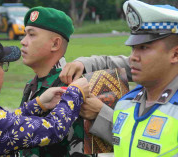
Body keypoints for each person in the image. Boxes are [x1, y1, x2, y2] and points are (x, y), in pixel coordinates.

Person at [0, 32, 89, 156]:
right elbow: (53, 129)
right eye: (2, 65)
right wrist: (75, 92)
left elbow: (4, 124)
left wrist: (38, 105)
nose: (4, 71)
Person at [64, 0, 178, 156]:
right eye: (133, 48)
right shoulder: (126, 104)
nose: (133, 58)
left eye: (144, 47)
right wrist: (84, 63)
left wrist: (100, 114)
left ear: (175, 54)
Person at [19, 6, 87, 157]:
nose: (23, 41)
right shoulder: (32, 85)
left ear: (55, 44)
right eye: (25, 35)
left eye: (31, 35)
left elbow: (79, 149)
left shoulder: (71, 87)